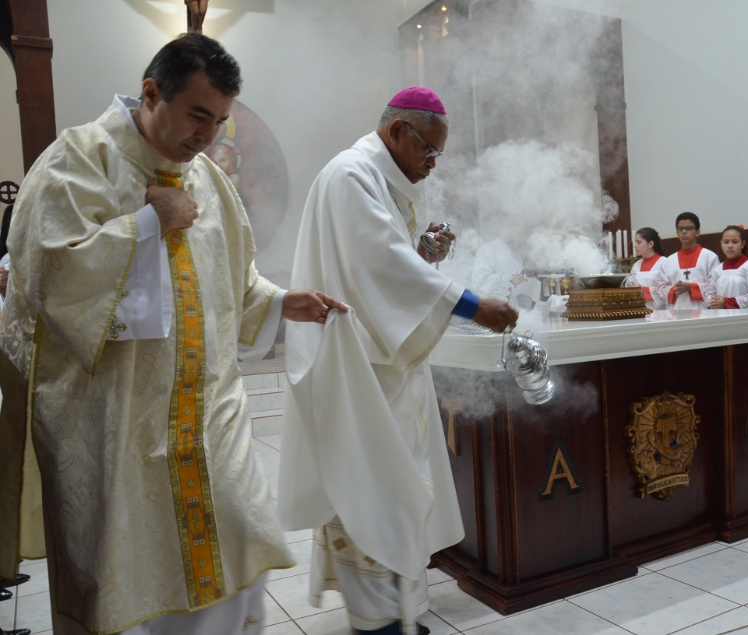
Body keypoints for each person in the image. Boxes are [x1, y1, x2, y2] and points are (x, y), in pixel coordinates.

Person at [0, 33, 348, 634]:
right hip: (117, 423)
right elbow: (47, 276)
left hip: (210, 416)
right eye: (198, 115)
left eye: (219, 120)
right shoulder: (76, 161)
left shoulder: (210, 181)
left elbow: (233, 282)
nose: (208, 135)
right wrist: (146, 223)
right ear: (151, 93)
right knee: (123, 579)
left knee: (239, 538)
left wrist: (278, 300)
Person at [278, 88, 518, 635]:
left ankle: (392, 613)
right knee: (368, 488)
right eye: (428, 151)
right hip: (354, 367)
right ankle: (376, 622)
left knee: (394, 487)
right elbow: (381, 268)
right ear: (397, 132)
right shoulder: (351, 176)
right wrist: (473, 305)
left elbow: (389, 266)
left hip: (384, 365)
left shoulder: (383, 181)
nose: (432, 163)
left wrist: (425, 254)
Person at [652, 212, 719, 310]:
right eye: (680, 229)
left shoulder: (709, 257)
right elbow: (660, 288)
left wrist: (690, 287)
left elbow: (715, 285)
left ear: (698, 232)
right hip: (675, 313)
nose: (684, 231)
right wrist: (674, 289)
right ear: (677, 233)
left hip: (703, 313)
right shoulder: (669, 261)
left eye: (689, 228)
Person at [707, 224, 748, 309]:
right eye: (726, 242)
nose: (730, 246)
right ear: (721, 244)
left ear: (743, 244)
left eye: (735, 242)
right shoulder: (717, 270)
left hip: (744, 317)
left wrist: (726, 302)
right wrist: (715, 302)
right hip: (721, 317)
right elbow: (709, 294)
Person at [472, 233, 525, 302]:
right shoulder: (487, 249)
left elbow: (515, 292)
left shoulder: (517, 258)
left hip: (512, 309)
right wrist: (509, 279)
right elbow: (480, 284)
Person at [624, 227, 666, 310]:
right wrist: (632, 290)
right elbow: (628, 286)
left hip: (661, 313)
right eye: (635, 242)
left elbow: (668, 291)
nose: (635, 246)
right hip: (639, 312)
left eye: (639, 242)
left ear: (650, 244)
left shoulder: (664, 263)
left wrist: (644, 290)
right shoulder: (636, 265)